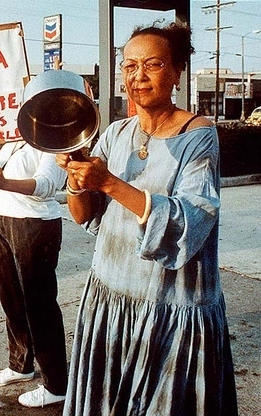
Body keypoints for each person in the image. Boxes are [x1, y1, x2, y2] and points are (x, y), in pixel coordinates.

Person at [55, 23, 238, 415]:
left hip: (170, 305)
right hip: (111, 295)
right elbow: (85, 216)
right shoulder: (116, 132)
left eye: (152, 65)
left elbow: (189, 222)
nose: (138, 77)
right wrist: (76, 180)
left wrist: (108, 182)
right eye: (129, 66)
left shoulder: (199, 135)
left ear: (176, 72)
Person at [0, 141, 68, 408]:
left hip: (33, 224)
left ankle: (56, 384)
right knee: (11, 299)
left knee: (39, 305)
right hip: (0, 220)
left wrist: (4, 182)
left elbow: (45, 186)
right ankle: (21, 364)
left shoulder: (50, 143)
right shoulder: (11, 143)